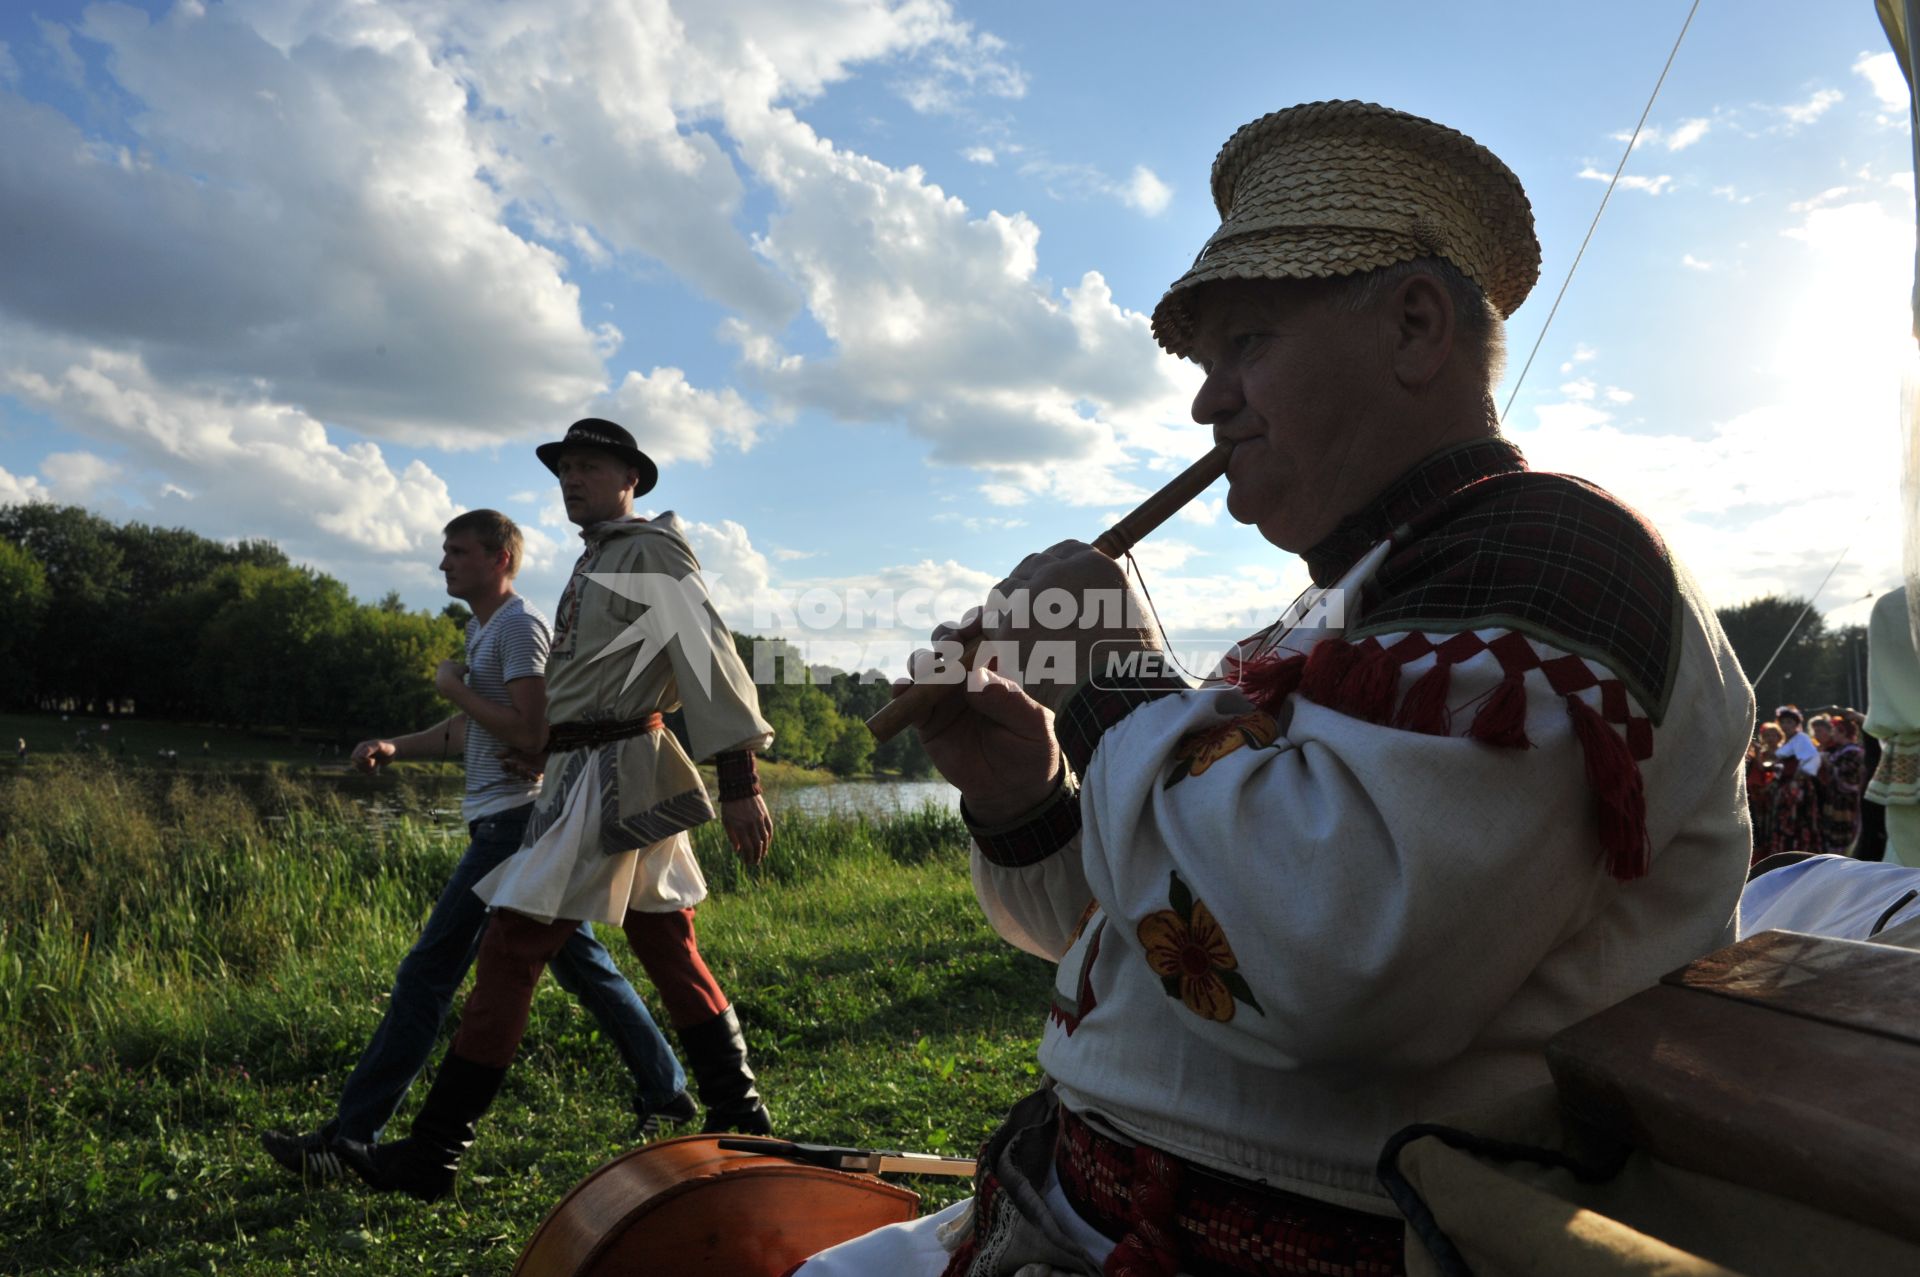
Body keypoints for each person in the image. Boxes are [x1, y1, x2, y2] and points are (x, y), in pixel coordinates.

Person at [798, 101, 1753, 1276]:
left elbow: (1328, 961)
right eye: (1208, 365)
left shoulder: (1551, 552)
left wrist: (1118, 681)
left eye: (1245, 343)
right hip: (1085, 1210)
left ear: (1414, 326)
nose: (1207, 402)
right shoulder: (1332, 607)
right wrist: (1029, 788)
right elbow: (1166, 939)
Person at [341, 419, 777, 1203]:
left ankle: (433, 1153)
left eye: (590, 466)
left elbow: (707, 654)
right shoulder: (600, 554)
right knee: (668, 947)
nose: (572, 479)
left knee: (509, 948)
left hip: (615, 772)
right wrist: (550, 744)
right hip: (586, 767)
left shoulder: (648, 549)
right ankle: (747, 1120)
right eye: (565, 468)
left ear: (630, 477)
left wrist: (740, 778)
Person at [260, 508, 689, 1184]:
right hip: (507, 820)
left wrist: (454, 683)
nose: (444, 563)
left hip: (514, 824)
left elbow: (530, 728)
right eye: (445, 551)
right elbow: (472, 732)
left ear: (501, 558)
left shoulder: (518, 627)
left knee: (428, 972)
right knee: (582, 964)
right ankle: (668, 1089)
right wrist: (397, 744)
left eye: (457, 551)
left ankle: (349, 1137)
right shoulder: (483, 628)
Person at [1768, 704, 1823, 856]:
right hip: (1785, 787)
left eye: (1790, 722)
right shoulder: (1787, 742)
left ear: (1796, 725)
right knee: (1785, 820)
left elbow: (1810, 759)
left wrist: (1797, 781)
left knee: (1797, 820)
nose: (1786, 725)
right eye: (1783, 722)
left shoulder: (1801, 739)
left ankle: (1800, 851)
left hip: (1797, 787)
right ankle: (1785, 851)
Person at [1818, 712, 1867, 854]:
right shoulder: (1840, 750)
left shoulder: (1853, 751)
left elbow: (1847, 773)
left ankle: (1845, 855)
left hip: (1845, 799)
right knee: (1833, 828)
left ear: (1843, 732)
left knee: (1844, 829)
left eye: (1836, 731)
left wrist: (1828, 763)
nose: (1833, 734)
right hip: (1835, 797)